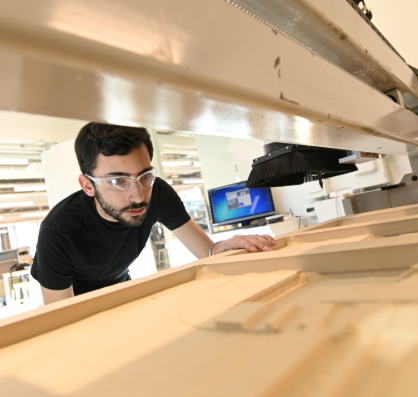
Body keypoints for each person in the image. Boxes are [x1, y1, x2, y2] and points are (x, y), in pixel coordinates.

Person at [31, 123, 276, 304]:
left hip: (121, 284)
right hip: (78, 298)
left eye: (145, 175)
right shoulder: (58, 231)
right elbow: (59, 315)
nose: (138, 196)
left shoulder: (155, 190)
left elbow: (207, 252)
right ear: (87, 185)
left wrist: (222, 247)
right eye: (117, 181)